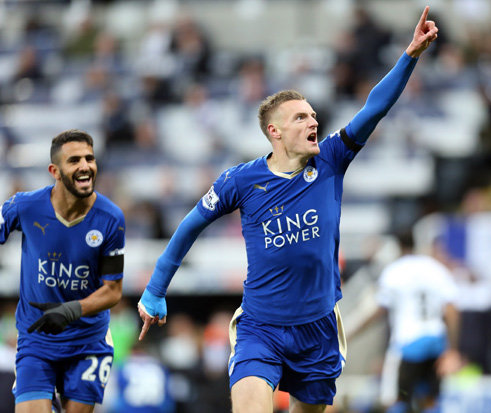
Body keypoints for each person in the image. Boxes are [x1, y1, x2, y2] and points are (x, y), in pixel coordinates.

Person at [137, 6, 438, 413]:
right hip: (262, 328)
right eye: (300, 117)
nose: (313, 120)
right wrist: (156, 288)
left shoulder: (331, 159)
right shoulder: (240, 181)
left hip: (318, 329)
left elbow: (374, 108)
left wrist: (410, 56)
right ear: (274, 132)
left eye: (313, 114)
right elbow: (190, 225)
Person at [0, 129, 125, 413]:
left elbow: (113, 290)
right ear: (54, 171)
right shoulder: (26, 206)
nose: (85, 166)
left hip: (88, 342)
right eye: (75, 160)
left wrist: (70, 310)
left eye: (89, 159)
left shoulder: (111, 218)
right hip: (36, 340)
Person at [348, 233, 461, 413]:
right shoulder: (435, 268)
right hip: (436, 339)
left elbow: (377, 310)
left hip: (408, 342)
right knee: (430, 400)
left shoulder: (395, 271)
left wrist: (349, 334)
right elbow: (451, 309)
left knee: (395, 399)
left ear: (397, 247)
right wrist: (452, 348)